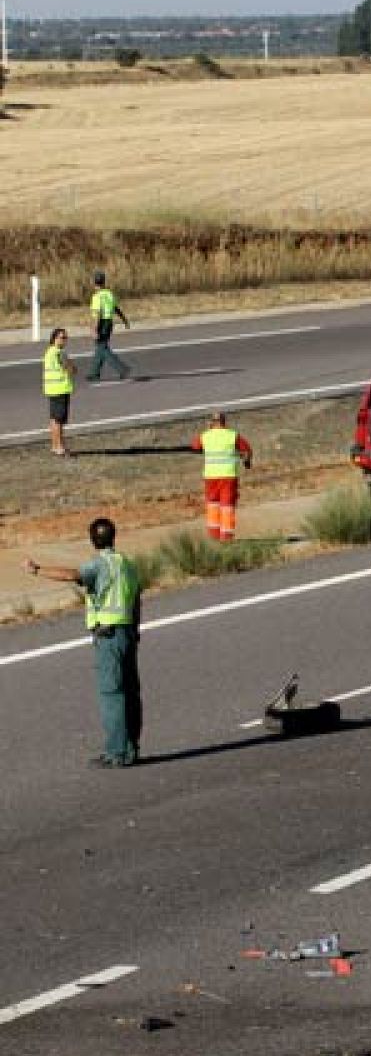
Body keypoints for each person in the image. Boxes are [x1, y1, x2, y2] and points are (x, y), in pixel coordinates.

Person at [23, 517, 143, 767]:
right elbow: (136, 599)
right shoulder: (127, 565)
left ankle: (116, 754)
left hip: (108, 637)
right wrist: (135, 631)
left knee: (112, 694)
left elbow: (72, 575)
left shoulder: (99, 565)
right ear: (114, 536)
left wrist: (37, 569)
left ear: (92, 540)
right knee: (131, 692)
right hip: (128, 633)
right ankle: (131, 748)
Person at [190, 411, 253, 541]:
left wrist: (207, 433)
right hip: (228, 477)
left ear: (212, 422)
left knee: (213, 505)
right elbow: (247, 450)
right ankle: (226, 537)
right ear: (224, 422)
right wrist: (247, 462)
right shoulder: (232, 435)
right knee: (227, 506)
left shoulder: (205, 436)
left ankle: (214, 537)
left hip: (211, 477)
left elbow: (195, 447)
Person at [86, 270, 132, 382]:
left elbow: (97, 313)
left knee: (102, 348)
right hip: (109, 322)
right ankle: (94, 373)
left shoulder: (97, 296)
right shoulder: (109, 294)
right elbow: (116, 308)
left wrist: (94, 329)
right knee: (101, 347)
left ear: (94, 283)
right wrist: (124, 319)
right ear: (104, 281)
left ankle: (122, 368)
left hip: (101, 323)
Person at [42, 327, 77, 458]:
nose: (65, 340)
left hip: (52, 389)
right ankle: (59, 447)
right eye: (62, 338)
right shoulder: (59, 353)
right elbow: (71, 369)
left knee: (54, 420)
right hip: (60, 389)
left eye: (66, 338)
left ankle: (55, 445)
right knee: (59, 421)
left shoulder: (49, 352)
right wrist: (73, 367)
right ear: (55, 338)